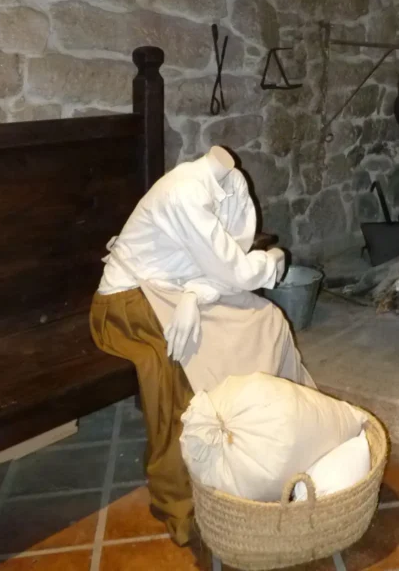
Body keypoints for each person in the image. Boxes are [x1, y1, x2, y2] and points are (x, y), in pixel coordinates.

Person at [89, 145, 313, 546]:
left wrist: (196, 294)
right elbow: (237, 269)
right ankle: (181, 498)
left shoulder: (233, 183)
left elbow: (231, 263)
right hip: (129, 298)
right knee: (180, 369)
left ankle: (279, 435)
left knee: (266, 321)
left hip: (176, 291)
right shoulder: (184, 192)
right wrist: (274, 259)